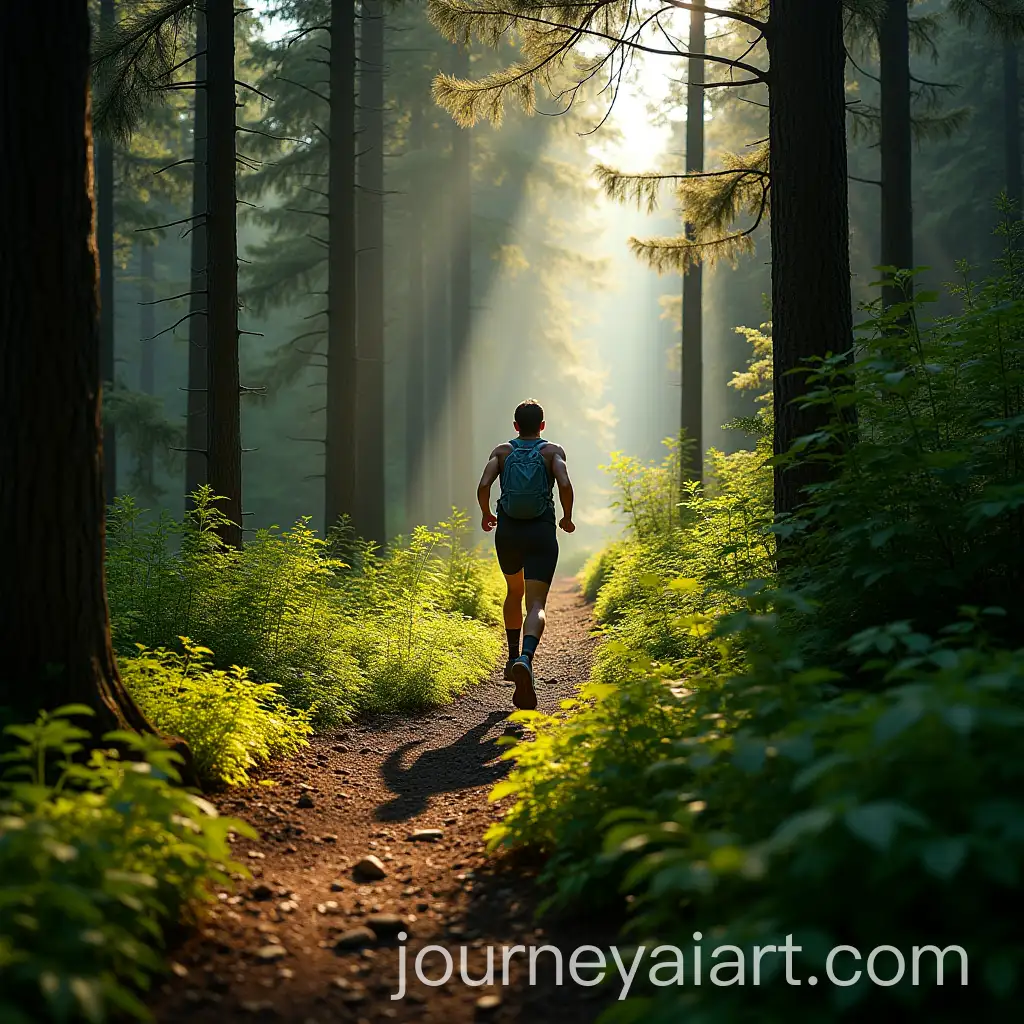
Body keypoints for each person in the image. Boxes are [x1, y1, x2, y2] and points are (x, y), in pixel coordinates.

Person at [477, 399, 575, 710]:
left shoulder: (502, 451)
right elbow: (565, 483)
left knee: (513, 591)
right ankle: (526, 659)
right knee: (536, 603)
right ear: (542, 426)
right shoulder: (552, 451)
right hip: (541, 533)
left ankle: (510, 658)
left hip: (508, 532)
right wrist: (567, 517)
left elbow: (483, 485)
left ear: (516, 426)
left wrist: (485, 514)